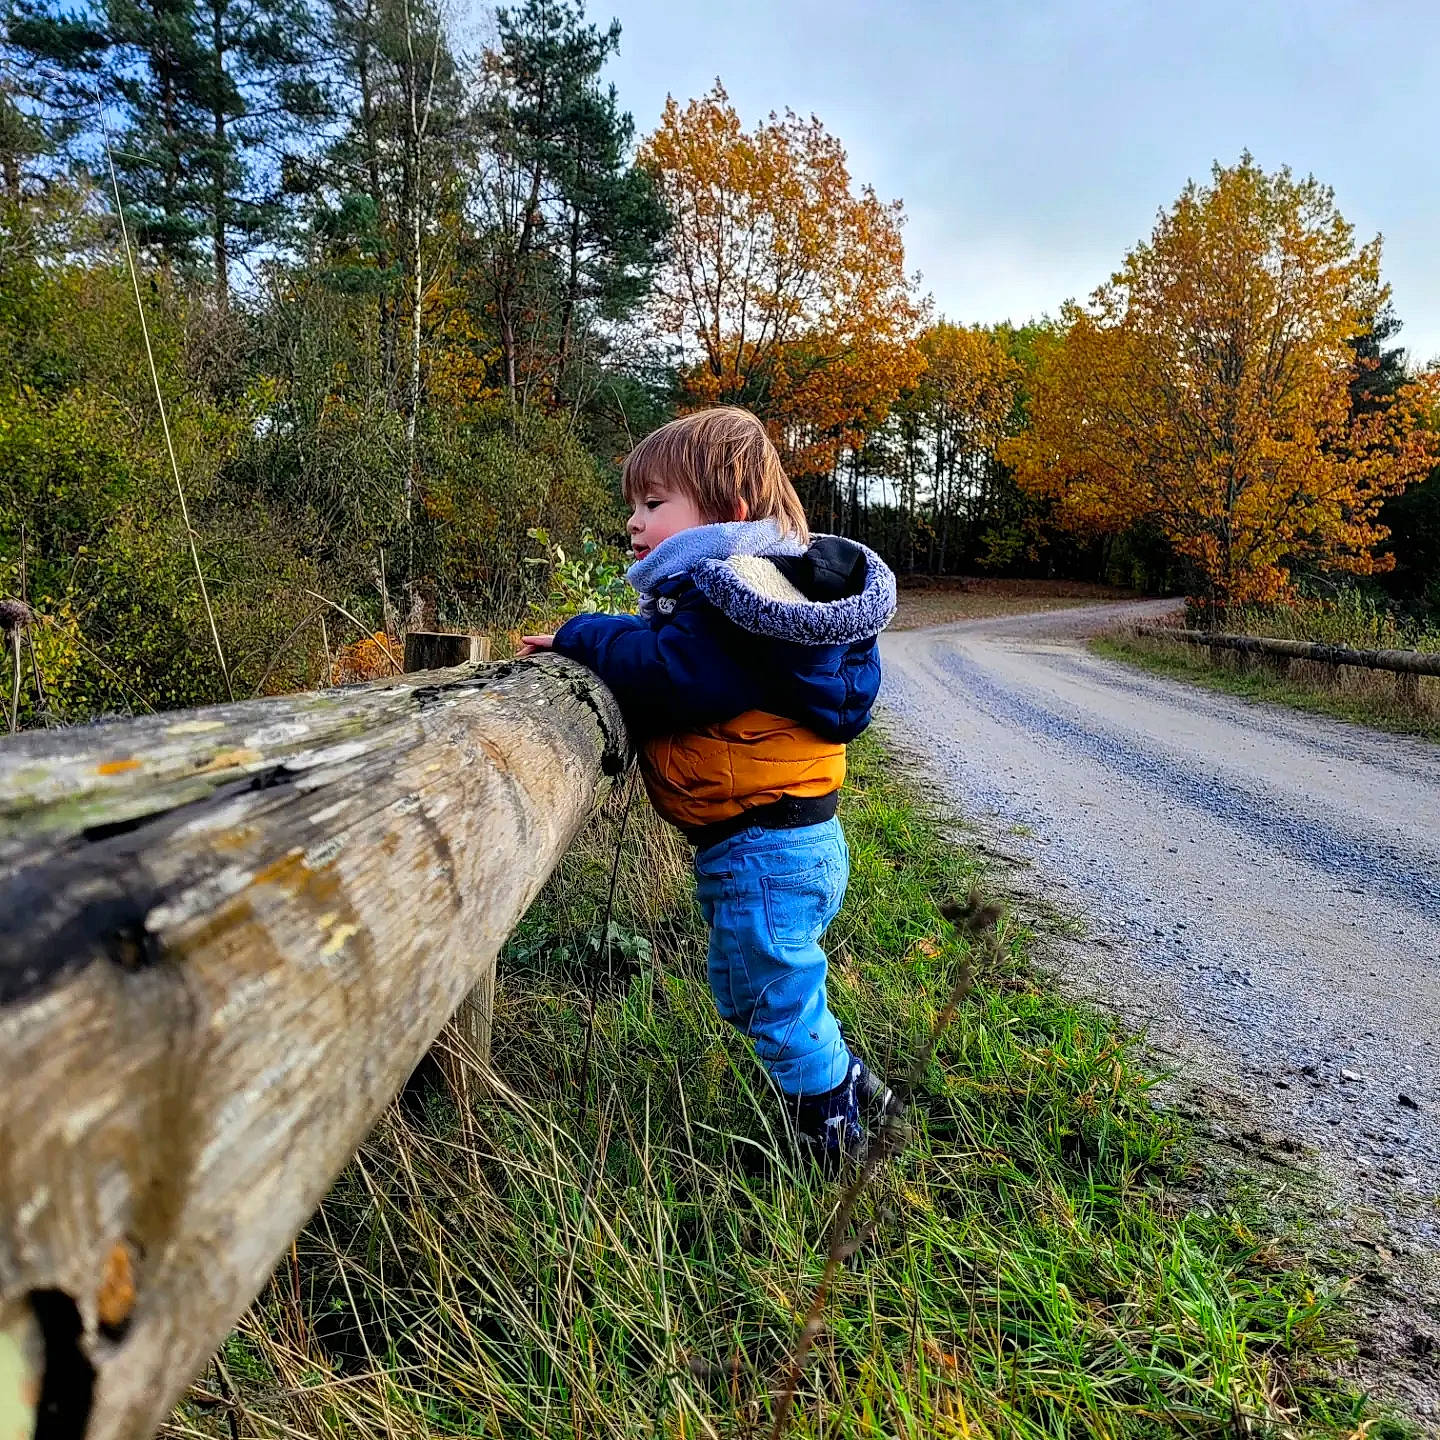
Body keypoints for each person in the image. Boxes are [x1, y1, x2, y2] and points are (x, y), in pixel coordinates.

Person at [519, 407, 897, 1160]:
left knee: (771, 998)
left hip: (764, 845)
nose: (634, 522)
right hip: (781, 840)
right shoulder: (766, 595)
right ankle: (854, 1086)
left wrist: (581, 633)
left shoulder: (733, 601)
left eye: (654, 504)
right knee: (746, 985)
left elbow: (674, 673)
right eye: (634, 504)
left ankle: (839, 1134)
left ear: (728, 512)